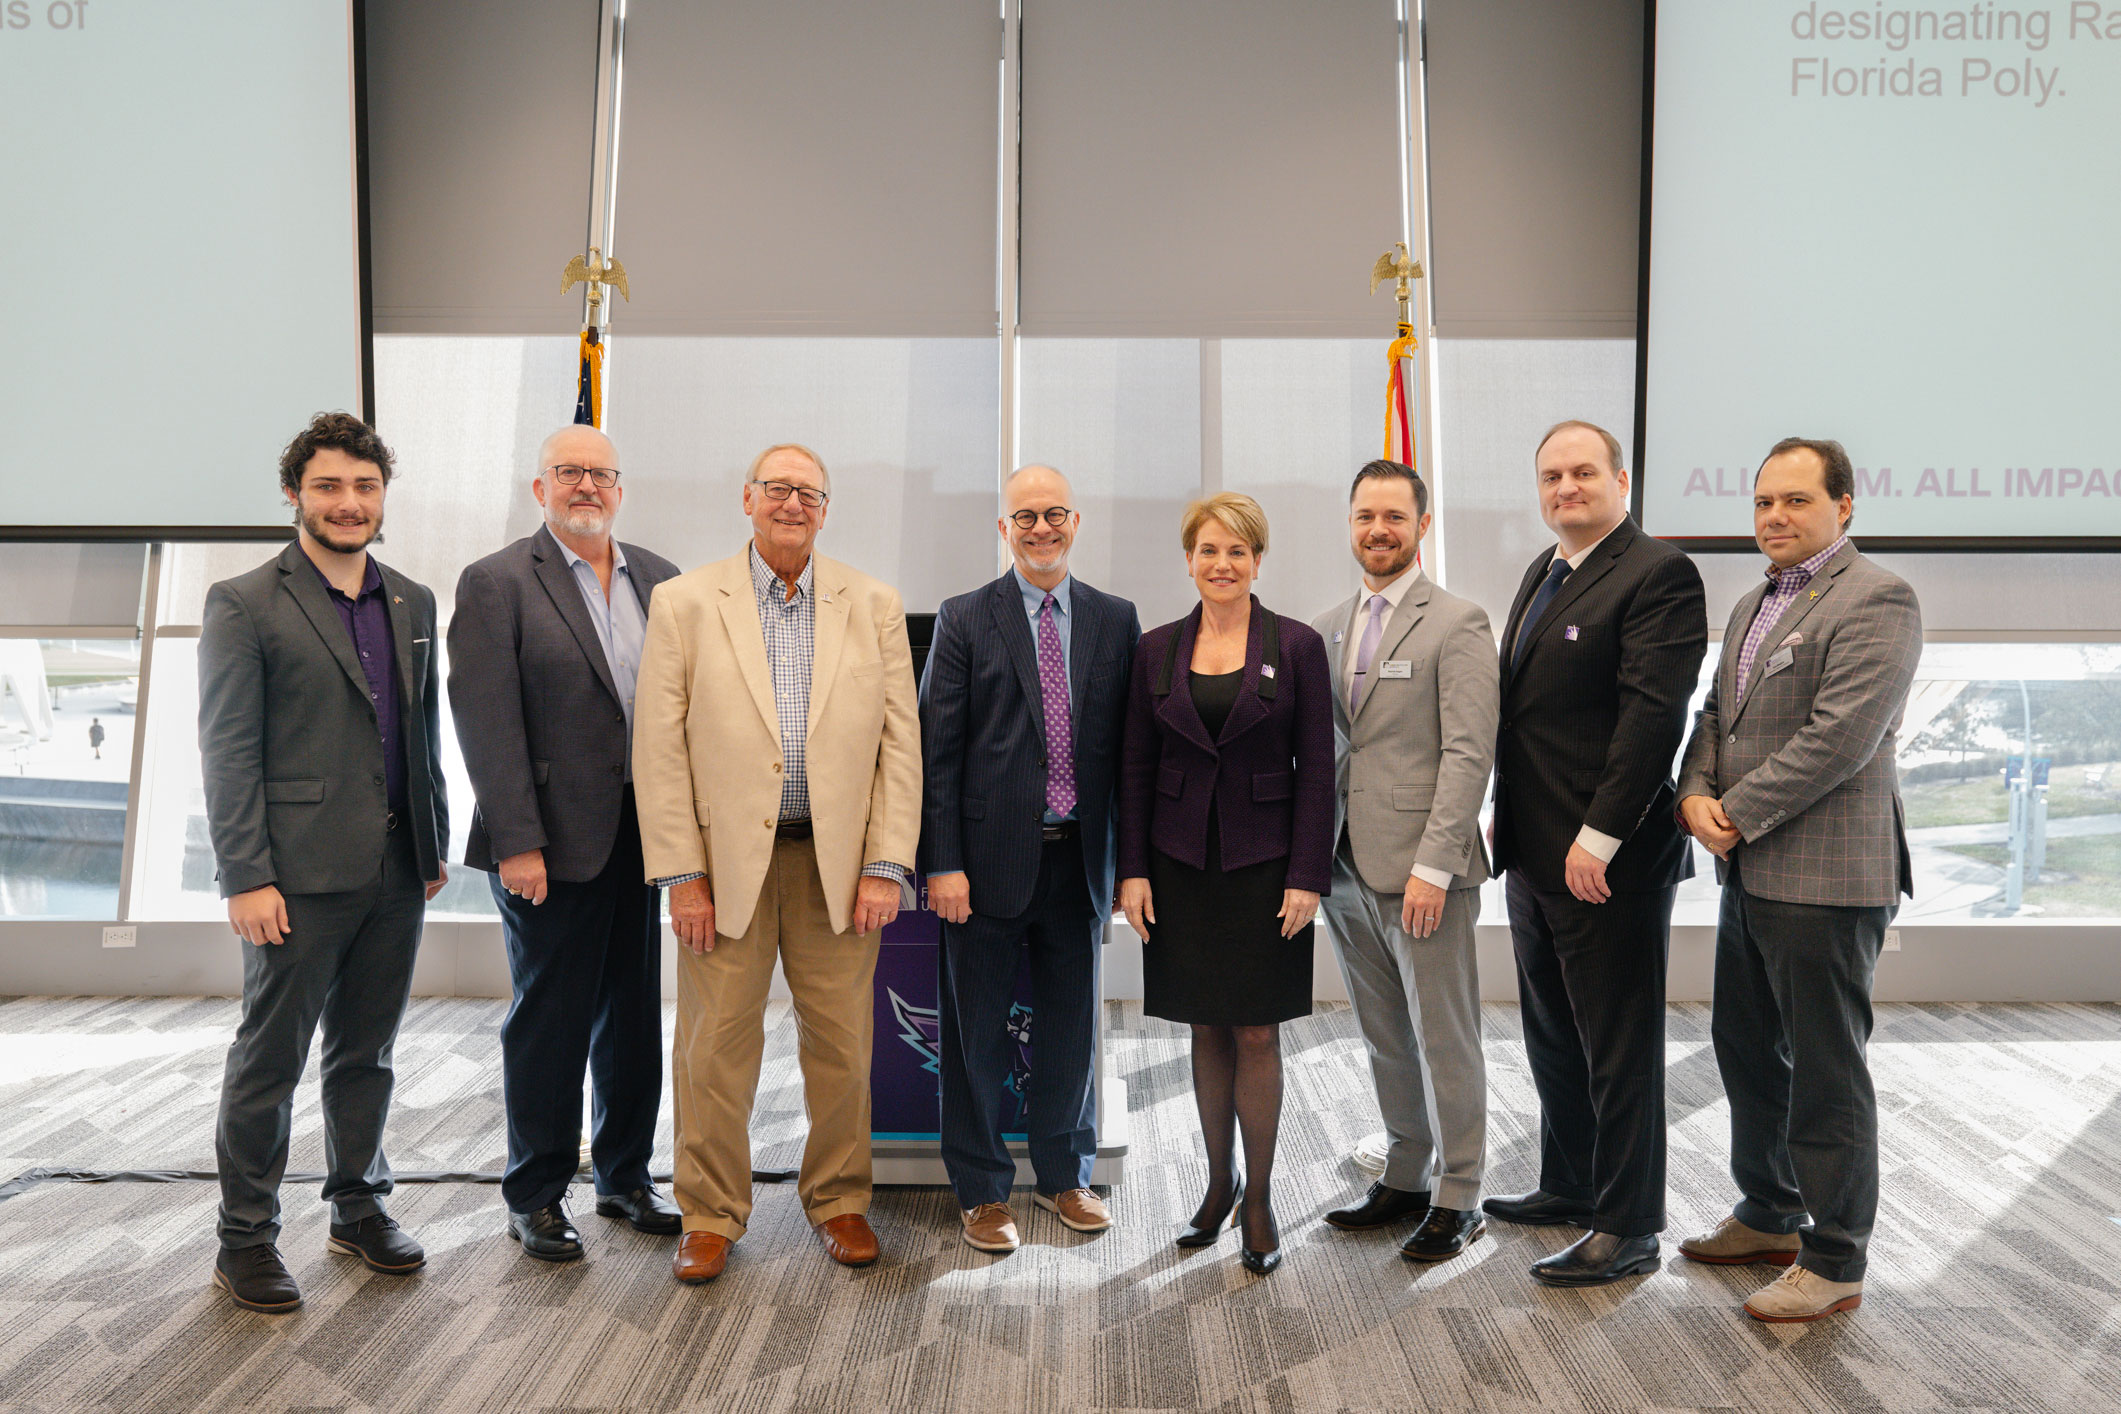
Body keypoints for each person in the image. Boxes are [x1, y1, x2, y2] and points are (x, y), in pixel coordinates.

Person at [633, 442, 921, 1285]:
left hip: (836, 867)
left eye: (809, 493)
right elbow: (659, 749)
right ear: (747, 498)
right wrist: (681, 874)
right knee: (713, 1049)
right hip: (723, 873)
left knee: (842, 1048)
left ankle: (838, 1200)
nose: (793, 504)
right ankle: (710, 1214)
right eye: (778, 490)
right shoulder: (685, 603)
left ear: (825, 509)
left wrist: (886, 861)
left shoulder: (872, 603)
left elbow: (900, 746)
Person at [196, 412, 449, 1312]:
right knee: (270, 1059)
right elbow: (228, 751)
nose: (349, 503)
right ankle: (246, 1239)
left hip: (396, 869)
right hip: (294, 875)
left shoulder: (414, 599)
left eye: (365, 486)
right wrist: (245, 876)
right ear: (295, 495)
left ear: (384, 496)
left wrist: (432, 841)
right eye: (330, 486)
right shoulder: (244, 600)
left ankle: (357, 1206)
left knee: (367, 1053)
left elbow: (421, 730)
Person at [1676, 437, 1920, 1323]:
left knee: (1823, 1071)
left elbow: (1841, 734)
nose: (1774, 517)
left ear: (1843, 505)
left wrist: (1732, 809)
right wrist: (1692, 789)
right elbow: (1714, 715)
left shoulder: (1877, 597)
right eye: (1762, 503)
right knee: (1746, 1051)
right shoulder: (1751, 603)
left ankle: (1835, 1255)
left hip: (1826, 876)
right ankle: (1770, 1211)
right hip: (1749, 871)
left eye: (1795, 501)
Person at [447, 424, 683, 1262]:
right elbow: (485, 720)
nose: (587, 486)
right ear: (538, 487)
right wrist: (516, 840)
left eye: (601, 474)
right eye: (568, 472)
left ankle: (624, 1176)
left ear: (620, 488)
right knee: (549, 1019)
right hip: (546, 842)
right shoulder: (497, 581)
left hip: (644, 840)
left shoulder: (661, 579)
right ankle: (536, 1193)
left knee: (632, 1015)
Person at [1486, 420, 1707, 1287]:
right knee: (1552, 1033)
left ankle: (1628, 1225)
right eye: (1550, 475)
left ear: (1621, 479)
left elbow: (1654, 718)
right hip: (1534, 851)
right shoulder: (1544, 570)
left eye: (1582, 472)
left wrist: (1599, 836)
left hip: (1601, 858)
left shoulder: (1656, 574)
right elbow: (1526, 717)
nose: (1565, 487)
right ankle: (1570, 1183)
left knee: (1616, 1044)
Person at [919, 465, 1141, 1255]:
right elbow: (935, 753)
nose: (1040, 528)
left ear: (1075, 523)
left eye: (1053, 514)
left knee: (1072, 1029)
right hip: (979, 868)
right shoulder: (965, 617)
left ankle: (1062, 1176)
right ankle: (980, 1191)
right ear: (1003, 528)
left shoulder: (1116, 621)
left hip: (1078, 860)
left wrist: (1128, 863)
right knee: (973, 1033)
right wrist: (940, 863)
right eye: (1024, 517)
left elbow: (1127, 758)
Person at [1116, 492, 1334, 1276]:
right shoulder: (1156, 649)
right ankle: (1216, 1185)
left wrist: (1308, 874)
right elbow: (1134, 767)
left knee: (1255, 1030)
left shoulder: (1297, 646)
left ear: (1257, 561)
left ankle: (1262, 1198)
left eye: (1237, 552)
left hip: (1265, 866)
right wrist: (1131, 870)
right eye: (1208, 551)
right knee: (1204, 1026)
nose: (1222, 564)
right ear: (1188, 559)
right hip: (1177, 865)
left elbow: (1318, 772)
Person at [1313, 461, 1499, 1262]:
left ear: (1421, 524)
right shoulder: (1325, 627)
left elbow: (1468, 752)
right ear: (1349, 524)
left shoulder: (1456, 621)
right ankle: (1405, 1171)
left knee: (1444, 1035)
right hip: (1344, 866)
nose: (1377, 530)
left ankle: (1461, 1193)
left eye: (1393, 515)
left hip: (1424, 872)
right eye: (1364, 516)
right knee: (1385, 1032)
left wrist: (1436, 863)